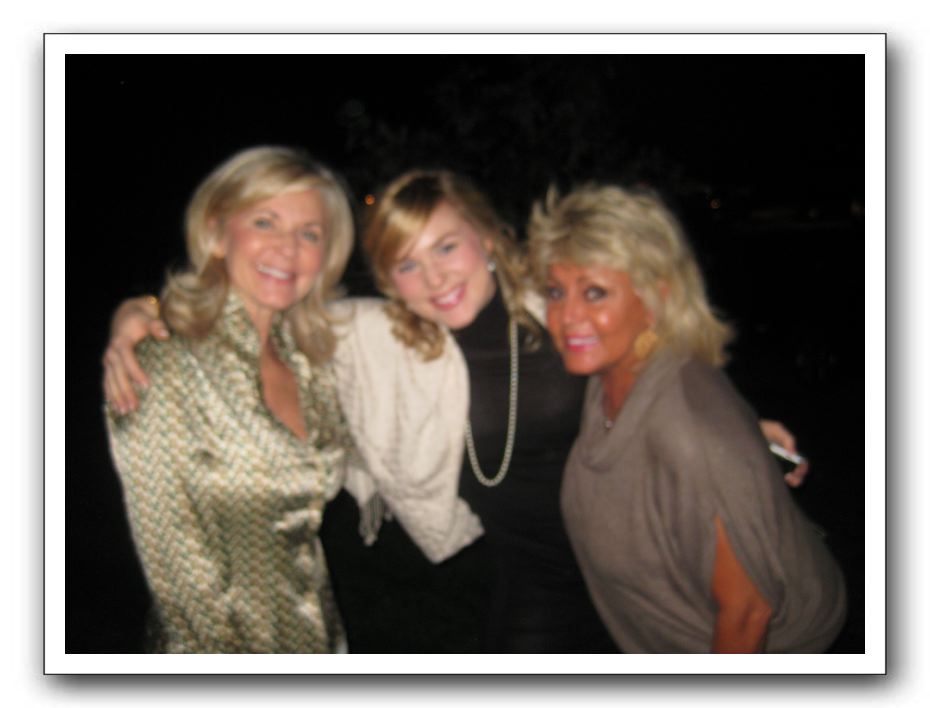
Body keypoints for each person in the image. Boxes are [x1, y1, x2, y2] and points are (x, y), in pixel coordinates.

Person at [103, 169, 809, 653]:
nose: (434, 276)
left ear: (488, 239)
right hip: (536, 583)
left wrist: (736, 423)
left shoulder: (553, 308)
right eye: (407, 264)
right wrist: (143, 311)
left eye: (447, 246)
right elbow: (273, 302)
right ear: (389, 281)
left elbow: (648, 343)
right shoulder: (375, 339)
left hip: (645, 565)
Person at [527, 183, 847, 653]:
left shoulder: (690, 432)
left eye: (595, 293)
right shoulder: (614, 373)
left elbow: (746, 615)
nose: (567, 315)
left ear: (657, 298)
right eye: (556, 292)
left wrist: (726, 448)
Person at [103, 146, 355, 653]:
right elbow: (176, 569)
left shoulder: (311, 363)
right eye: (265, 222)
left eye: (309, 234)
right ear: (218, 234)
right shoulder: (164, 360)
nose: (288, 248)